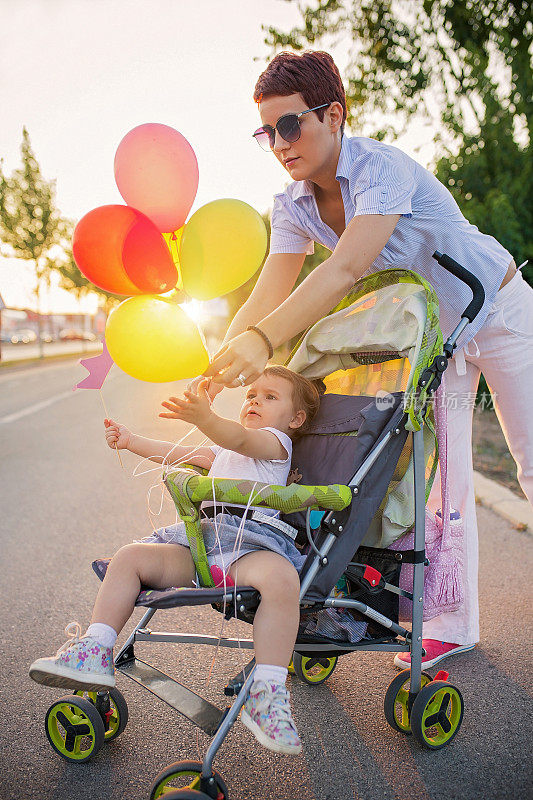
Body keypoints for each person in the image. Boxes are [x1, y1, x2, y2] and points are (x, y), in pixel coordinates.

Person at [195, 50, 533, 671]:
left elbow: (348, 266)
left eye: (291, 125)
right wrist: (225, 357)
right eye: (267, 131)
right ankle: (451, 625)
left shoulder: (382, 169)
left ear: (334, 114)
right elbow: (273, 287)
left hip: (500, 308)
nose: (279, 143)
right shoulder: (291, 204)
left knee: (532, 463)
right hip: (435, 337)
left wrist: (264, 342)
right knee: (443, 486)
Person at [29, 365, 321, 756]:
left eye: (270, 397)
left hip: (251, 546)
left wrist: (205, 417)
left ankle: (267, 692)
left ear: (295, 418)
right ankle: (95, 649)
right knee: (130, 557)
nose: (254, 400)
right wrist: (132, 441)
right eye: (251, 394)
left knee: (282, 579)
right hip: (202, 546)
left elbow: (235, 436)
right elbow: (176, 453)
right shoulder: (222, 449)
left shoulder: (274, 443)